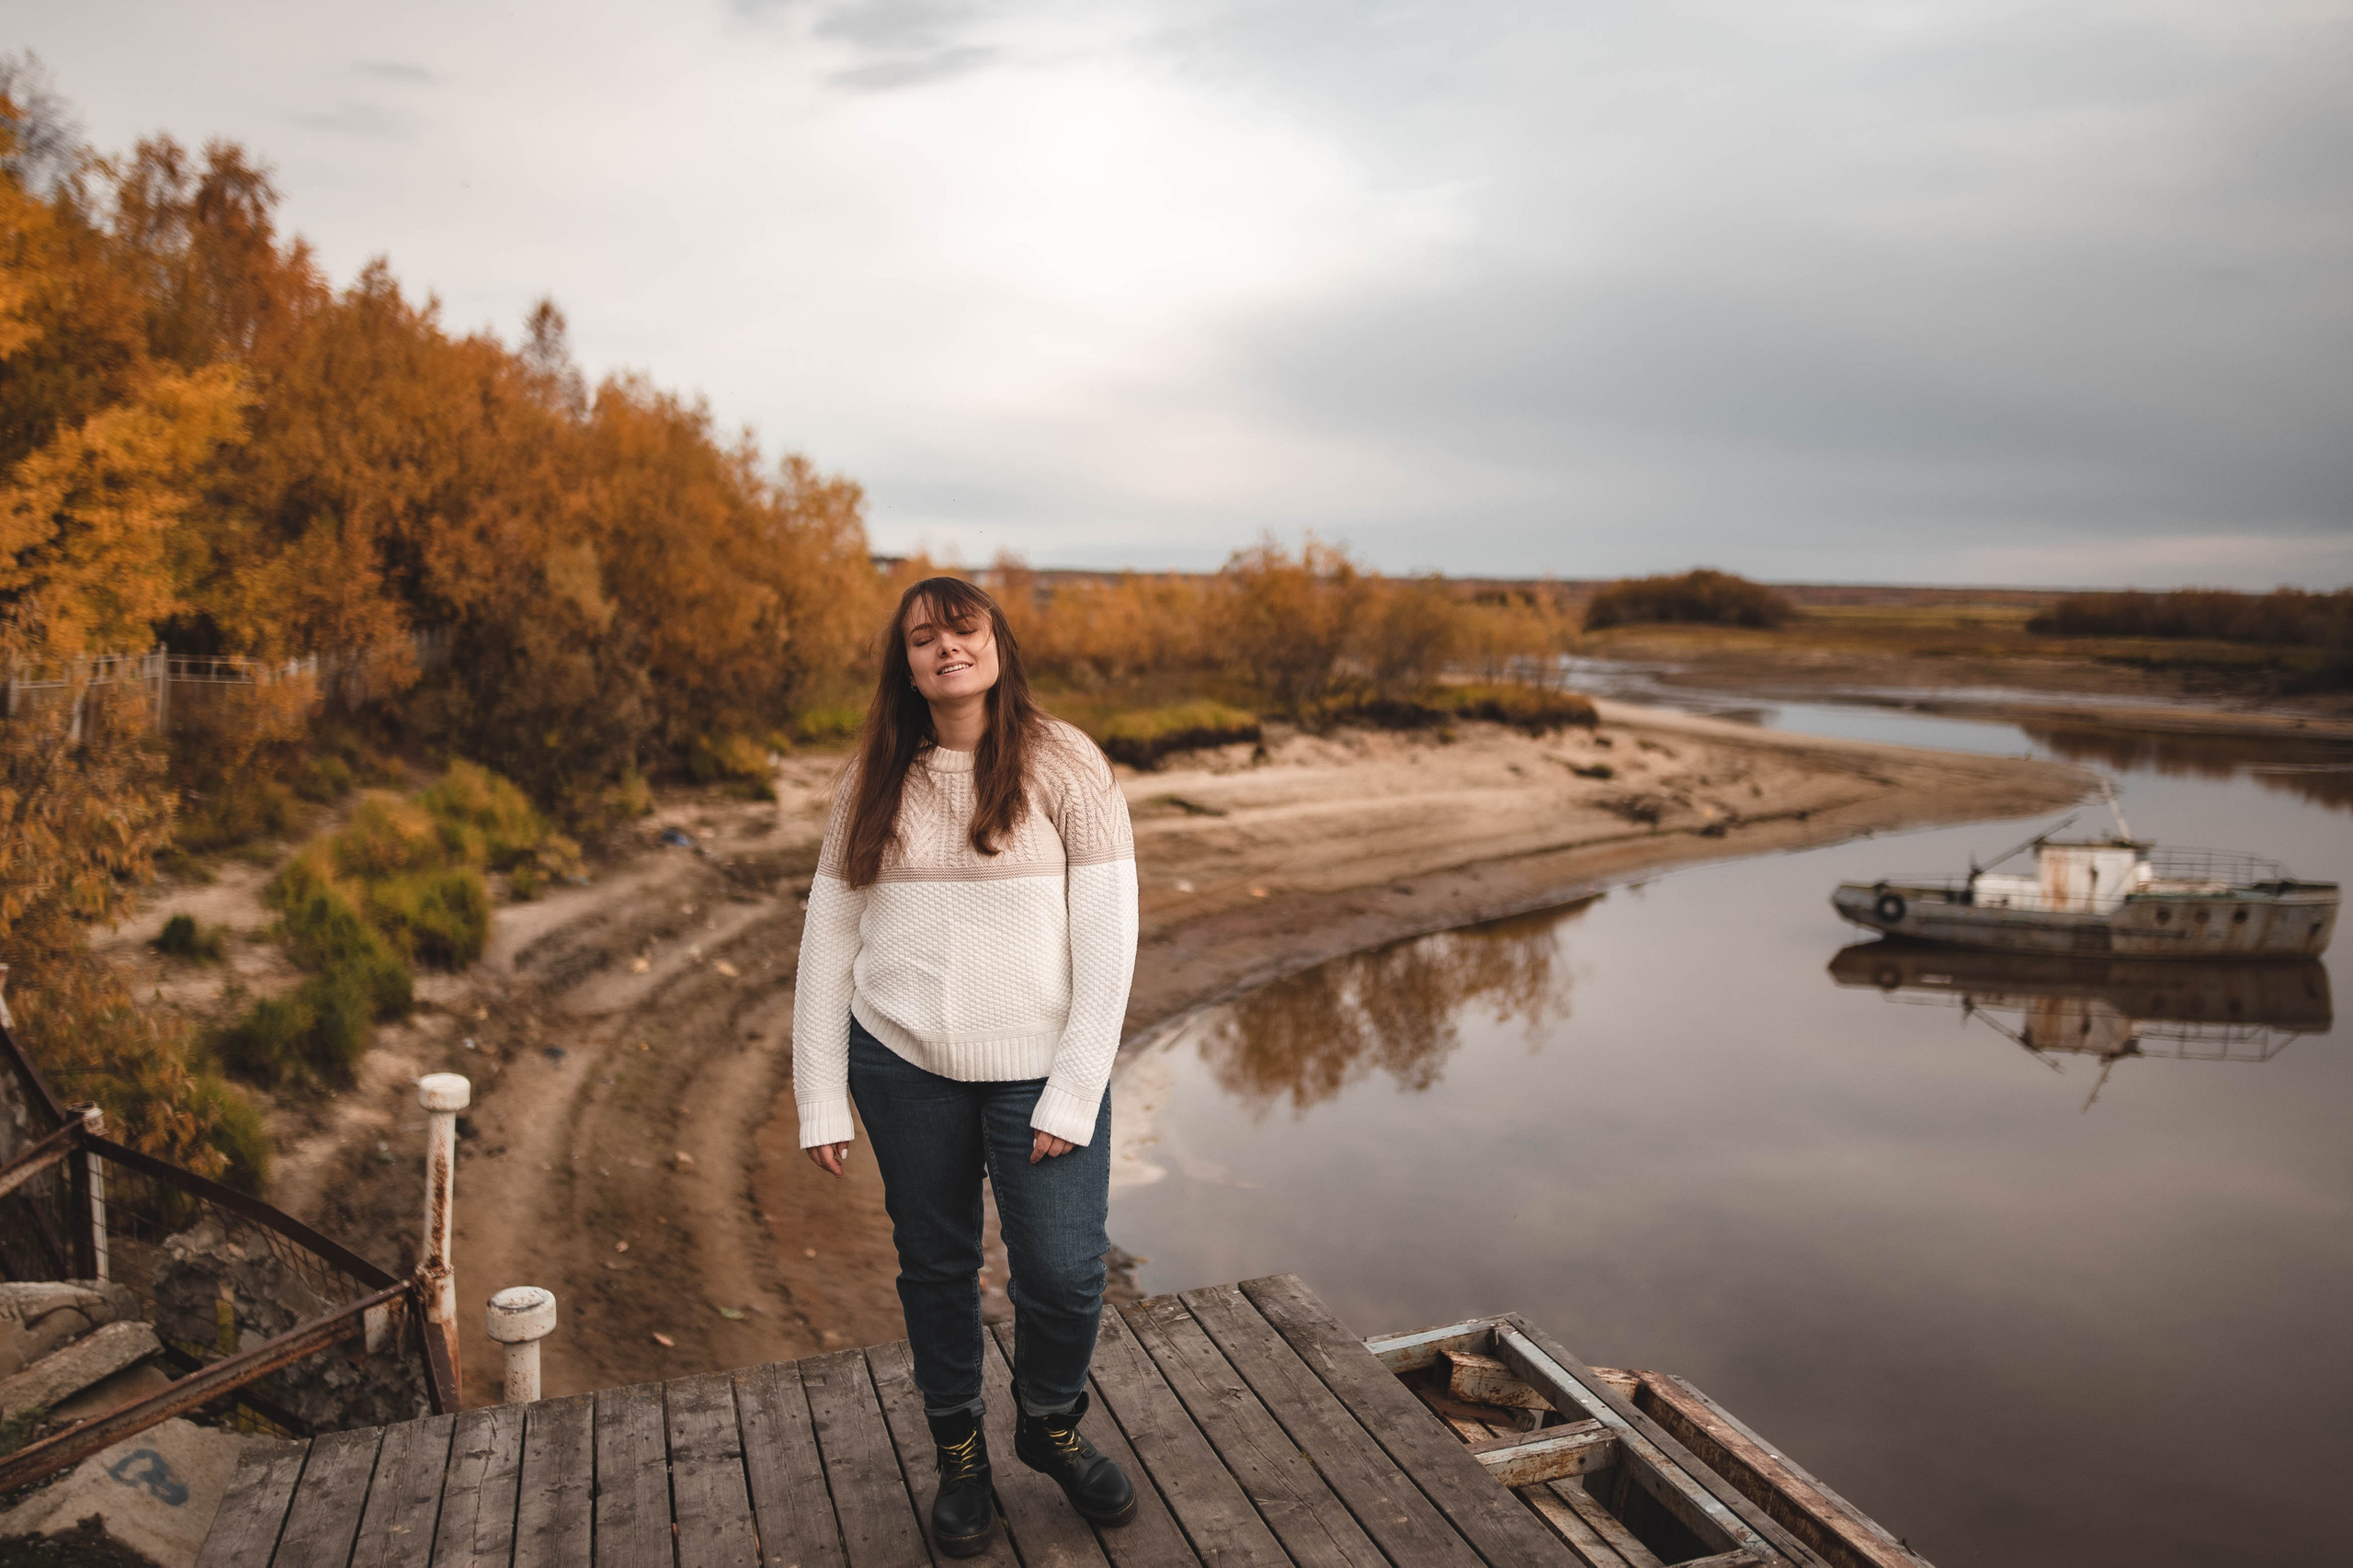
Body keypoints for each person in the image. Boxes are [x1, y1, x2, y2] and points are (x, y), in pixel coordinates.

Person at [793, 575, 1139, 1557]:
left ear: (996, 642)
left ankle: (1048, 1420)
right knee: (936, 1266)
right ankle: (959, 1452)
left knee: (1066, 1274)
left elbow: (1109, 940)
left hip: (1039, 1066)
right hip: (901, 1065)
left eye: (963, 628)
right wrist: (820, 1092)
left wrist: (1074, 1087)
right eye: (921, 638)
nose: (946, 647)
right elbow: (828, 935)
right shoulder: (872, 774)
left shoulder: (1064, 761)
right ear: (903, 663)